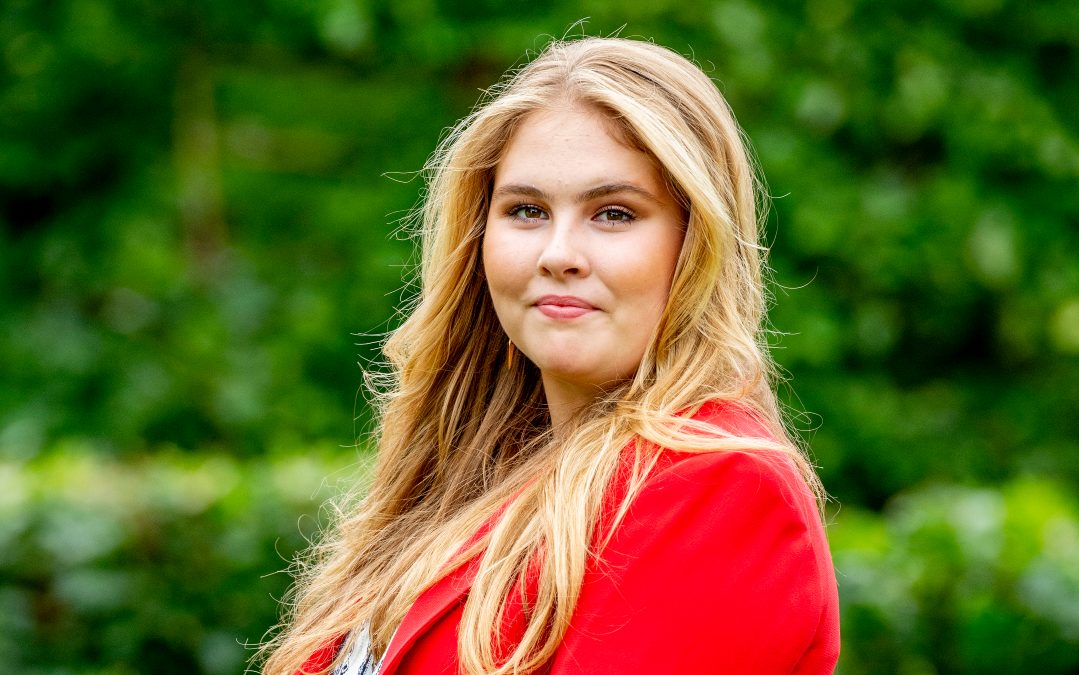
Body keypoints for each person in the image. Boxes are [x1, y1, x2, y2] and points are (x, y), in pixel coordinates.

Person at [258, 36, 840, 675]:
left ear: (696, 241)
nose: (558, 253)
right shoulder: (464, 477)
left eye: (614, 214)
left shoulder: (719, 487)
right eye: (527, 210)